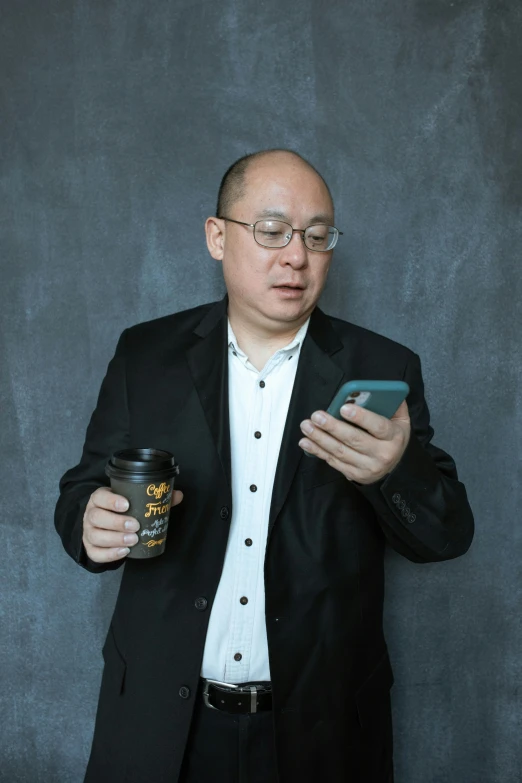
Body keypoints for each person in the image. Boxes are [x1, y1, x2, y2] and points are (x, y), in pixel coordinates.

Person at [54, 149, 474, 783]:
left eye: (316, 235)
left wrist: (394, 470)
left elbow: (447, 535)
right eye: (273, 231)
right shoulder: (146, 354)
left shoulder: (382, 369)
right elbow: (81, 491)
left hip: (321, 734)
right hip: (160, 726)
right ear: (217, 237)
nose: (297, 257)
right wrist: (88, 524)